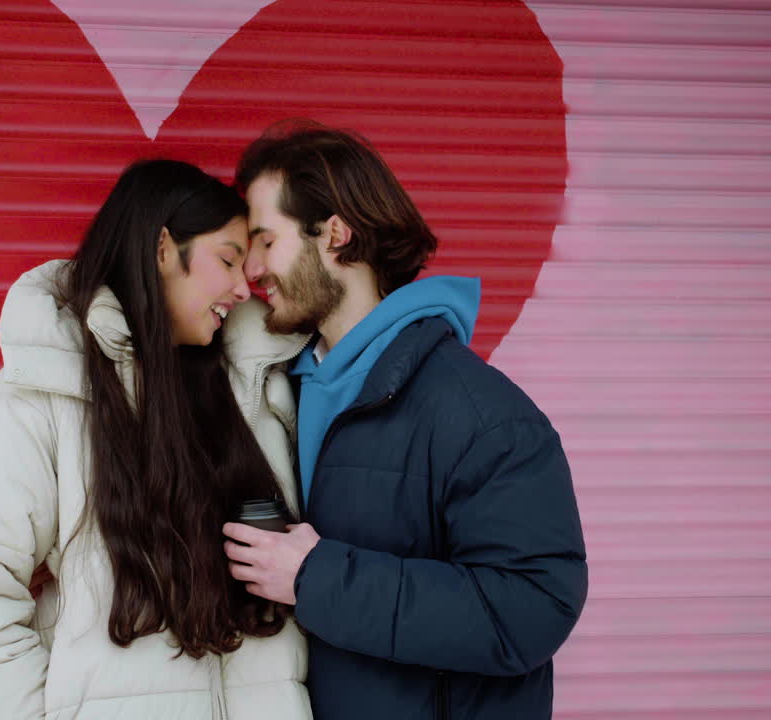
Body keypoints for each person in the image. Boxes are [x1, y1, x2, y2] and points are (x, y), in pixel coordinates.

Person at [0, 159, 313, 720]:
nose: (245, 288)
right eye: (226, 260)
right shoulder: (42, 395)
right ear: (162, 248)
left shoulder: (260, 389)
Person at [221, 122, 587, 720]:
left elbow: (531, 610)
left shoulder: (482, 415)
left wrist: (319, 578)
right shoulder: (277, 392)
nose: (251, 271)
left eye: (266, 240)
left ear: (335, 235)